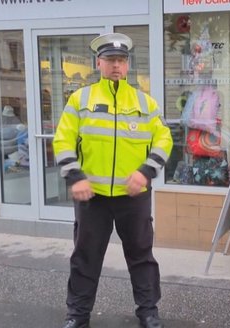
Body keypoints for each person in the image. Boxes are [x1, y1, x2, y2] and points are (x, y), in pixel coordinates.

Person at [53, 33, 172, 328]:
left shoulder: (145, 103)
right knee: (85, 258)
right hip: (92, 197)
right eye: (110, 60)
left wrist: (146, 172)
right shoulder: (80, 99)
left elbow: (164, 140)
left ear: (128, 65)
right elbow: (62, 140)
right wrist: (75, 176)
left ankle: (148, 312)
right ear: (99, 63)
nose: (116, 66)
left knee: (142, 257)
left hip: (133, 197)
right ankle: (77, 315)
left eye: (121, 60)